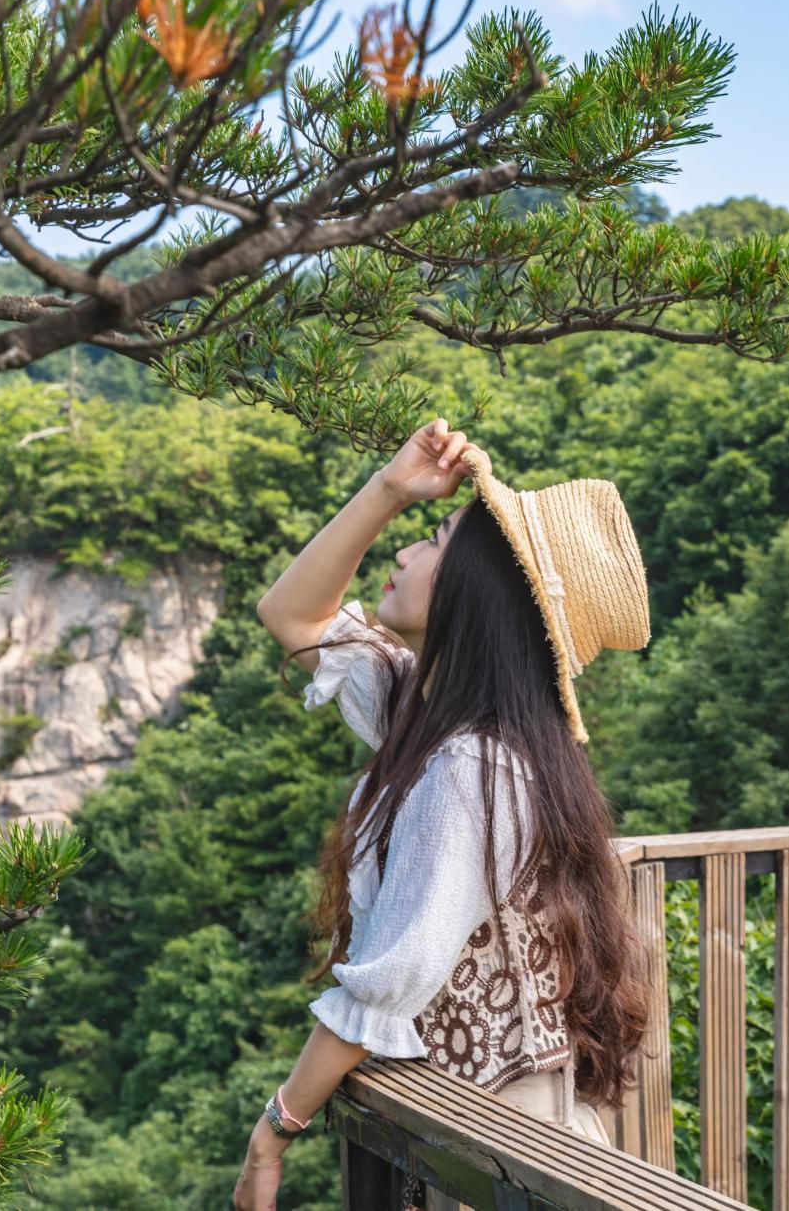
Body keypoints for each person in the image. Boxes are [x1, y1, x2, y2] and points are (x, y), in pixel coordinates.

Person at [234, 417, 657, 1211]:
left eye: (431, 540)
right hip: (477, 1130)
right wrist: (389, 490)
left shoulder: (473, 766)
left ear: (479, 592)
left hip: (508, 1142)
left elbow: (389, 982)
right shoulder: (423, 712)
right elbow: (293, 617)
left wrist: (275, 1129)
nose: (403, 552)